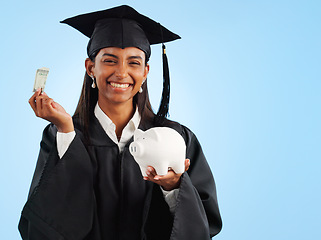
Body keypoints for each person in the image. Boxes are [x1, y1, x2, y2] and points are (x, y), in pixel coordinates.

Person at [19, 5, 222, 240]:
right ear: (90, 68)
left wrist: (174, 187)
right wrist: (66, 131)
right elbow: (42, 222)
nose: (122, 72)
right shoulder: (60, 134)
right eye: (110, 60)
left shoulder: (177, 137)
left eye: (133, 63)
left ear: (145, 72)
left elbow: (206, 223)